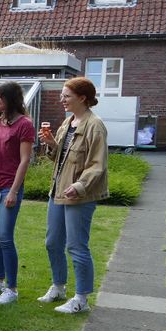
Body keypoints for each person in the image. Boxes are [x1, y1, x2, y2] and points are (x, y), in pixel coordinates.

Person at [38, 77, 109, 314]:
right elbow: (58, 158)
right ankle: (58, 287)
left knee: (77, 246)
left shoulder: (95, 125)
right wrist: (51, 144)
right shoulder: (67, 123)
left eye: (66, 96)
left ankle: (81, 299)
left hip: (80, 195)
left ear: (82, 98)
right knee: (52, 243)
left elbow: (98, 165)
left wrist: (79, 186)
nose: (62, 99)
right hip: (58, 191)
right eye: (62, 95)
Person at [0, 81, 35, 305]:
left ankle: (12, 289)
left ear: (10, 99)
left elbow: (24, 160)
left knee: (5, 237)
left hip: (8, 187)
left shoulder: (25, 124)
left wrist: (13, 191)